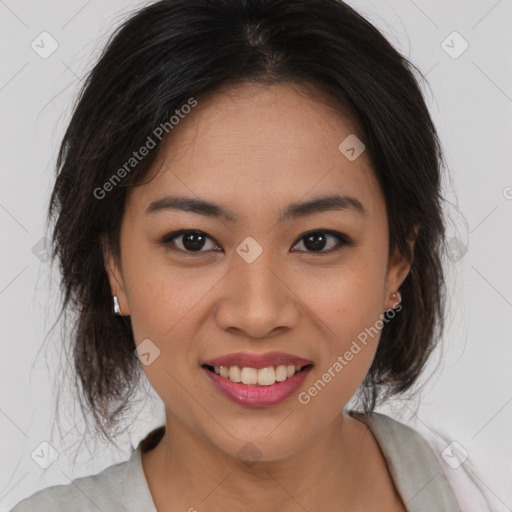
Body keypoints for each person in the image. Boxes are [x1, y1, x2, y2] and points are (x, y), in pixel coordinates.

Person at [10, 0, 496, 510]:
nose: (258, 313)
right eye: (193, 241)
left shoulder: (483, 491)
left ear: (398, 259)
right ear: (115, 266)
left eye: (317, 241)